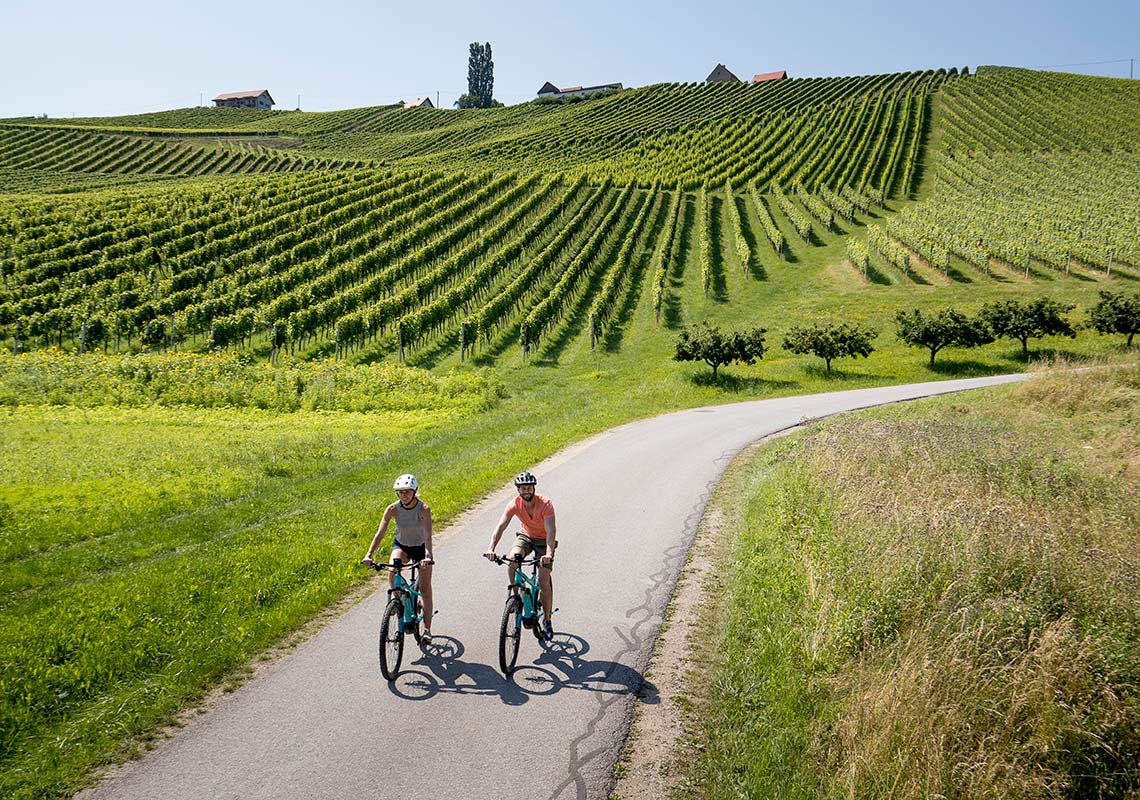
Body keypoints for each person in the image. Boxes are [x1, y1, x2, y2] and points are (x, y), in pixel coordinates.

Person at [484, 470, 557, 640]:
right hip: (526, 537)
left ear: (534, 488)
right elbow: (500, 527)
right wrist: (491, 548)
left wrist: (549, 553)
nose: (526, 491)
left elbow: (551, 531)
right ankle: (516, 598)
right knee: (512, 559)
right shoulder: (514, 504)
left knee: (543, 581)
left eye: (529, 488)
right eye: (523, 488)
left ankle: (547, 620)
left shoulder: (545, 504)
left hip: (544, 540)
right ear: (518, 489)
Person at [362, 473, 434, 643]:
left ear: (414, 492)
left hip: (420, 547)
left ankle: (427, 630)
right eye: (401, 492)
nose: (404, 496)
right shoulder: (392, 509)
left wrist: (428, 555)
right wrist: (369, 554)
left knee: (425, 589)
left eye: (407, 492)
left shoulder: (423, 509)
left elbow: (428, 534)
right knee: (393, 569)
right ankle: (396, 601)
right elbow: (380, 533)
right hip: (401, 545)